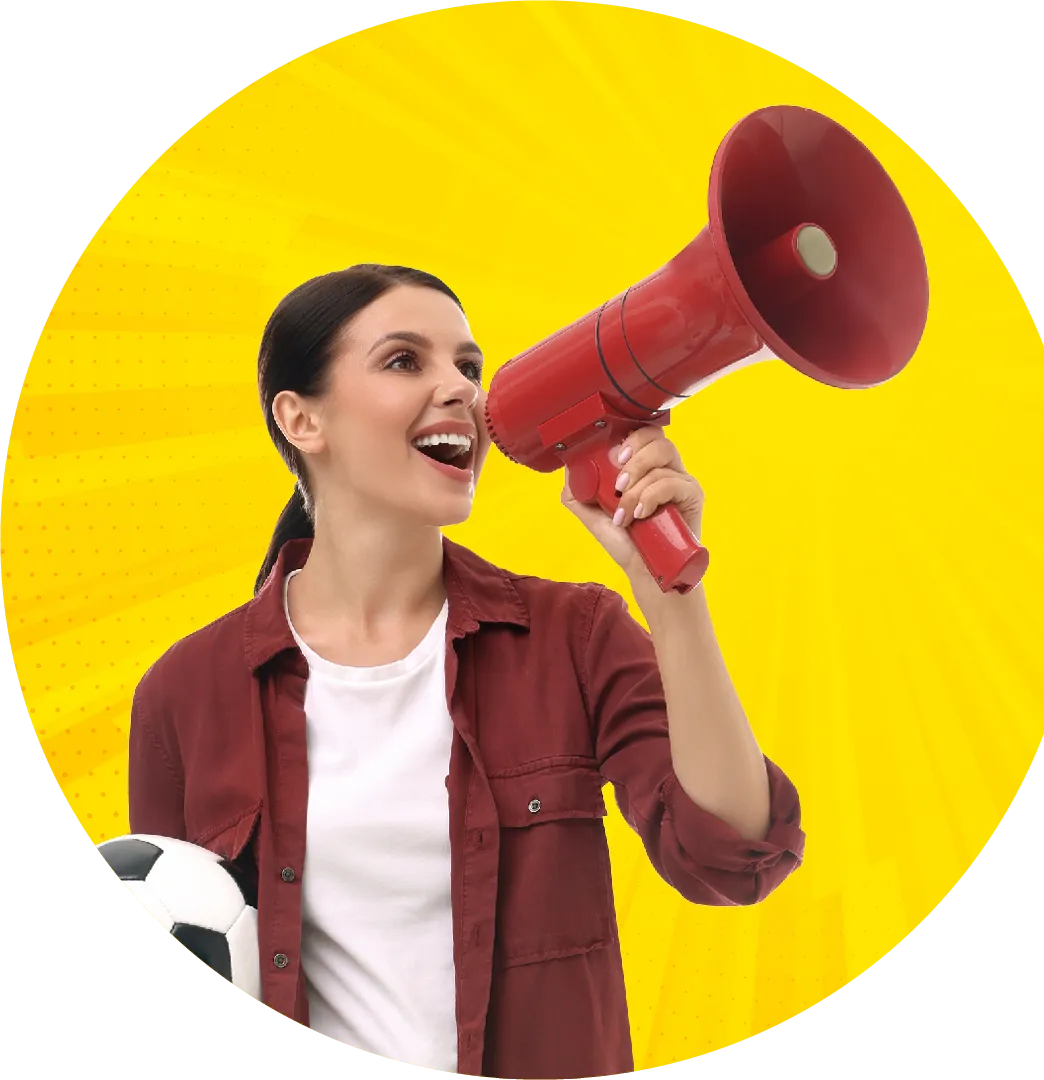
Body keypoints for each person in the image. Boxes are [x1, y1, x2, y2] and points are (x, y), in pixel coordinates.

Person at [127, 264, 805, 1078]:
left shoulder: (573, 636)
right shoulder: (183, 696)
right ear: (301, 418)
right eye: (405, 361)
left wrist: (672, 600)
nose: (462, 392)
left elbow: (730, 859)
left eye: (469, 367)